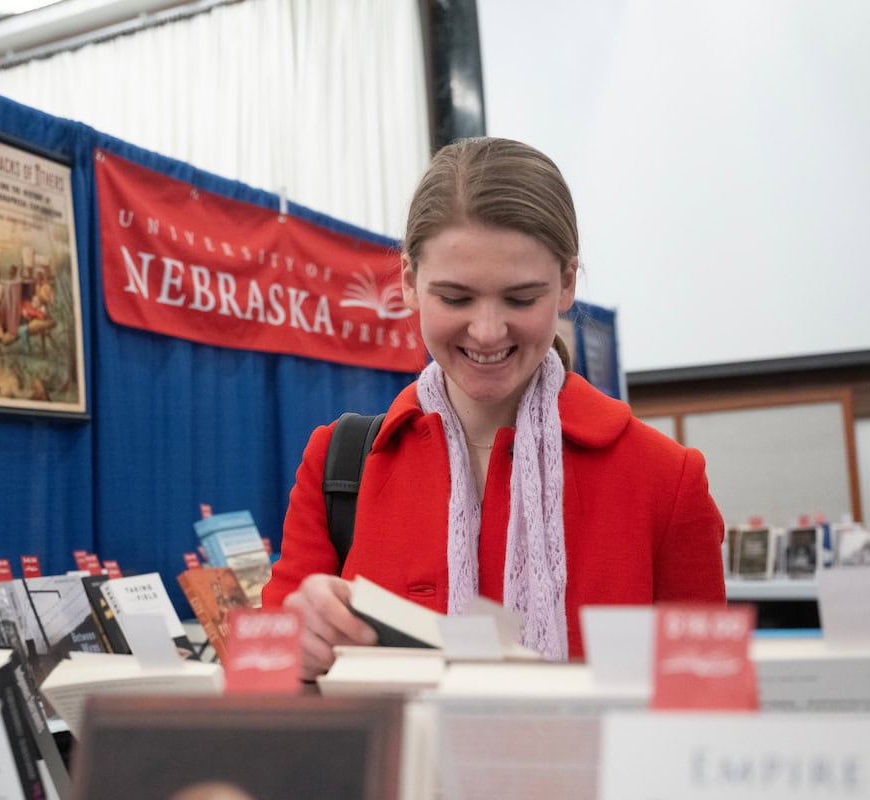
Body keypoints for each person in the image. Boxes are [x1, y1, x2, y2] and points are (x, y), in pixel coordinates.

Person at [261, 137, 725, 681]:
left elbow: (706, 706)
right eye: (455, 298)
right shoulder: (339, 464)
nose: (486, 331)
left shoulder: (665, 480)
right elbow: (259, 676)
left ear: (567, 283)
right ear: (409, 283)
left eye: (521, 299)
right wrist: (290, 644)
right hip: (396, 767)